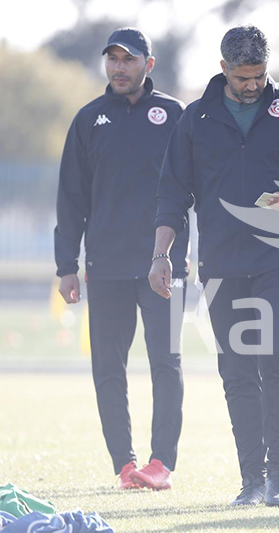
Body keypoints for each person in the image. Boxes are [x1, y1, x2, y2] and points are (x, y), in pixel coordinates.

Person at [149, 25, 279, 507]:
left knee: (275, 353)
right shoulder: (196, 119)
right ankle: (251, 479)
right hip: (222, 261)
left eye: (260, 75)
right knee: (236, 370)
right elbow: (172, 192)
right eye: (244, 76)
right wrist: (161, 252)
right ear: (224, 68)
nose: (253, 85)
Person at [54, 27, 189, 491]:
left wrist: (175, 253)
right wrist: (66, 264)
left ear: (147, 65)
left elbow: (194, 190)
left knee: (165, 363)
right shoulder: (89, 120)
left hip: (164, 267)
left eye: (128, 59)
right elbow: (71, 198)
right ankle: (125, 466)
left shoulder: (175, 115)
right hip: (106, 267)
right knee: (108, 368)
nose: (118, 67)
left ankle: (161, 463)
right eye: (112, 59)